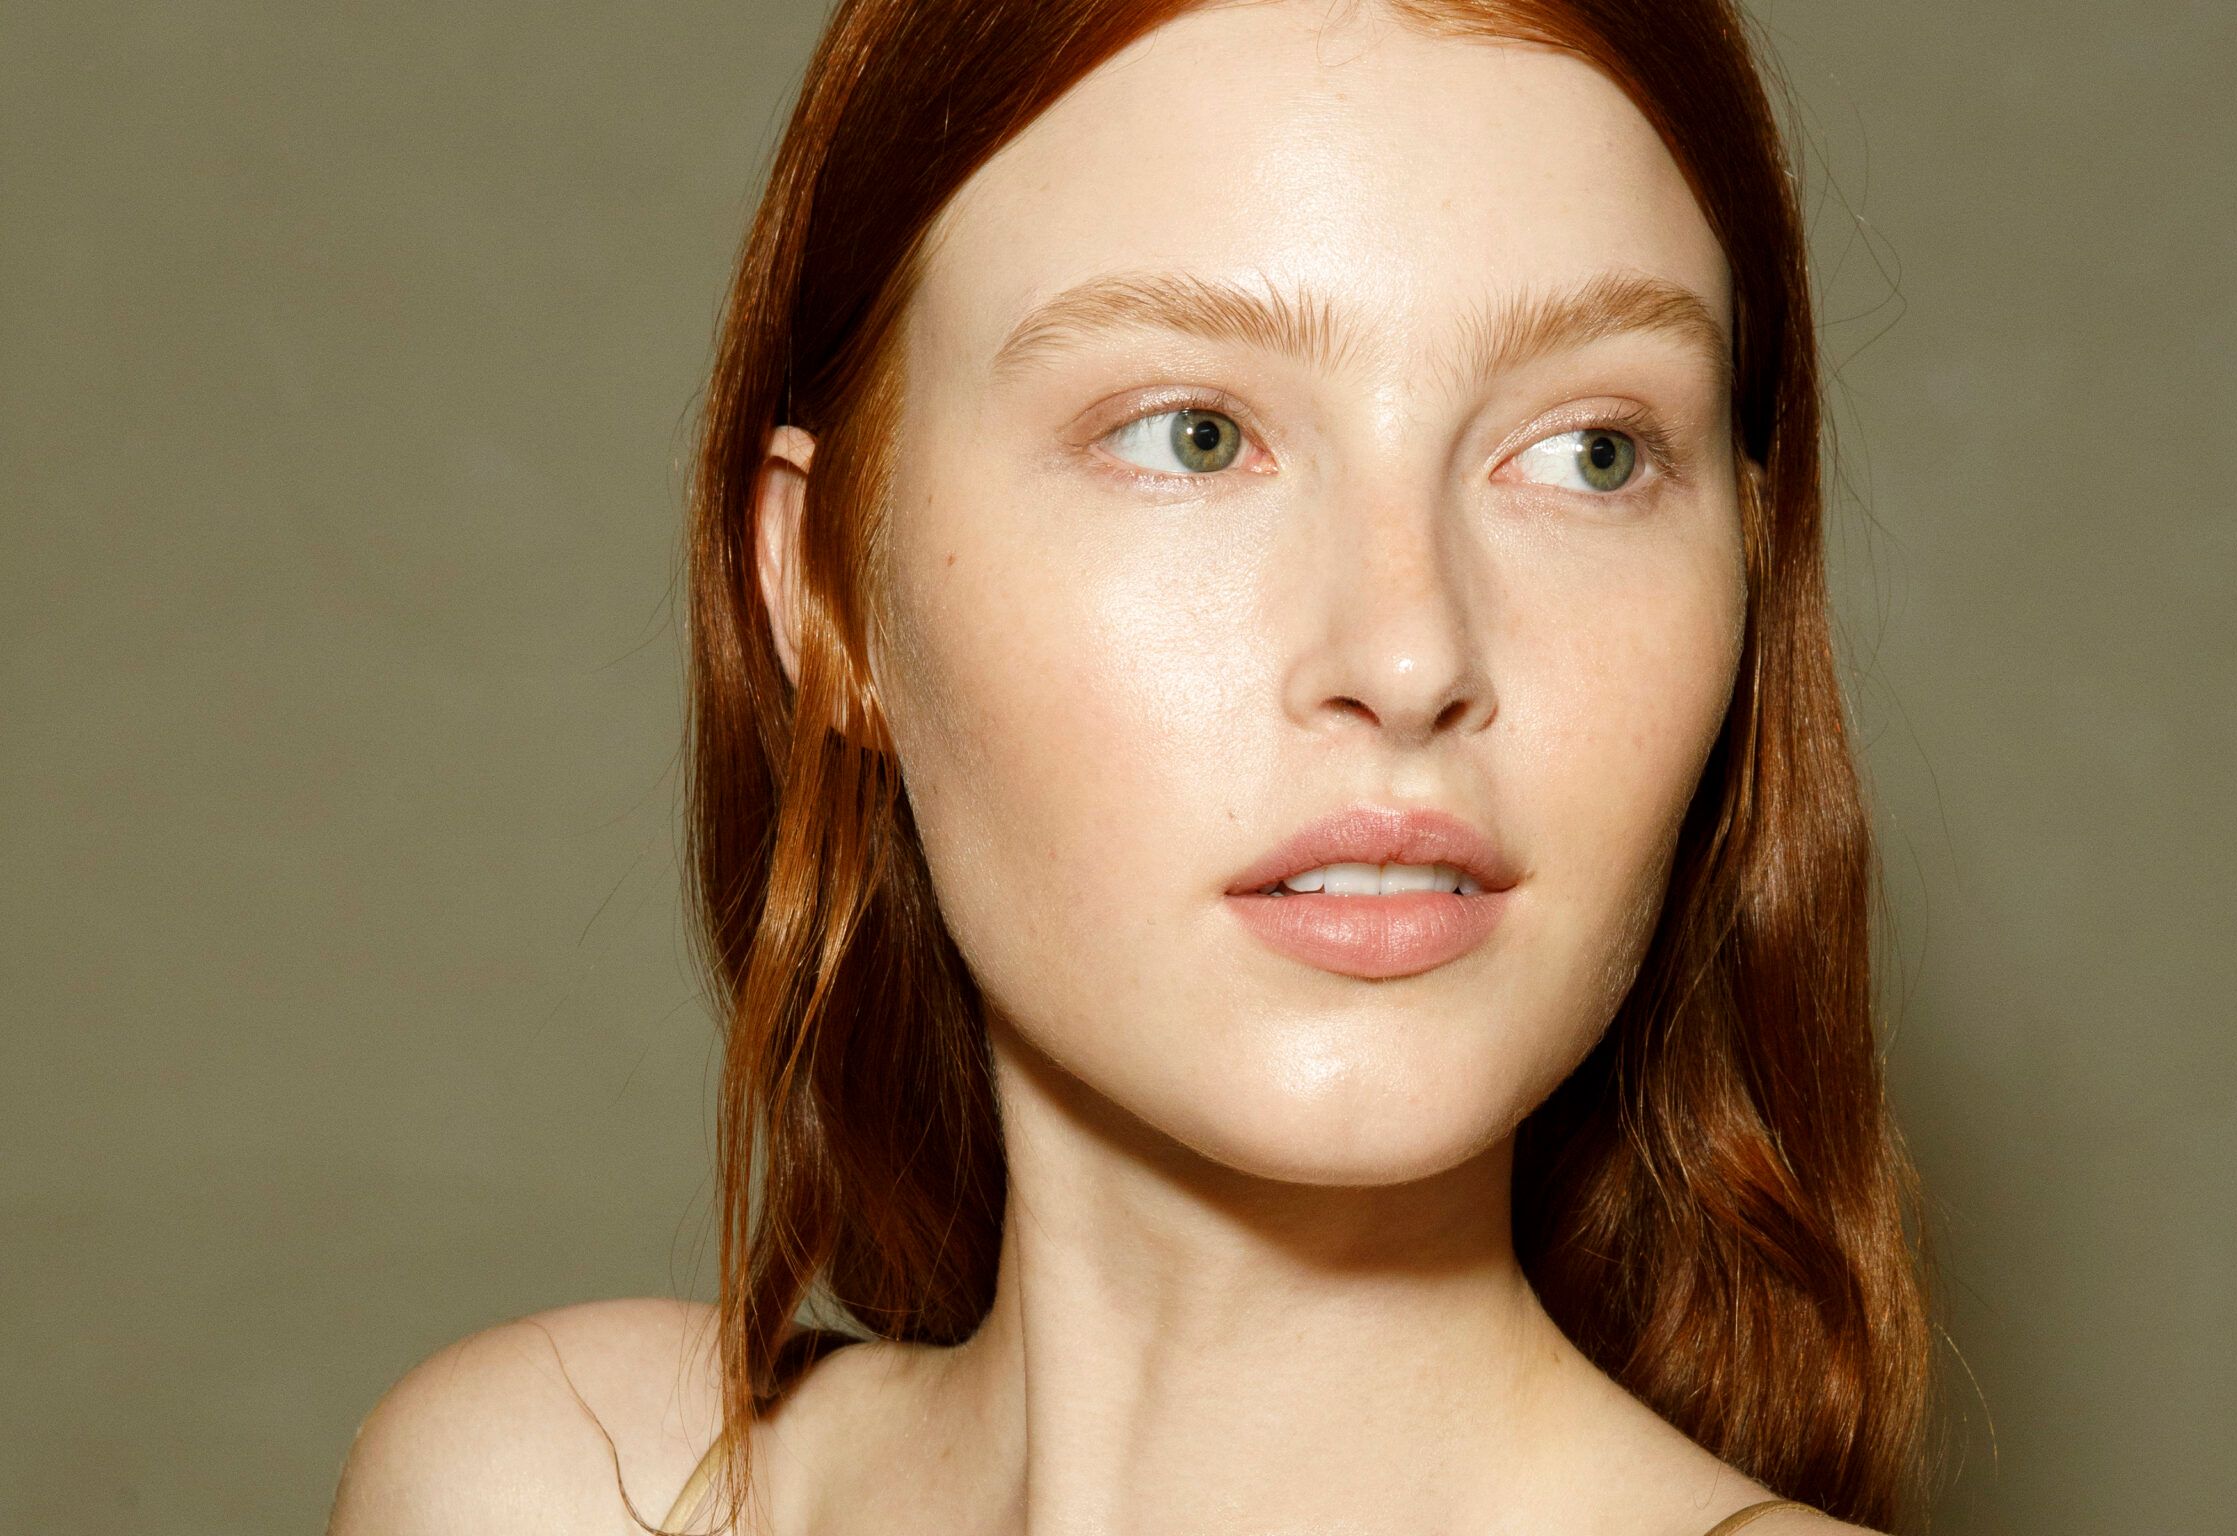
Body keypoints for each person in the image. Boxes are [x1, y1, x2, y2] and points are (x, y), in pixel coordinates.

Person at [325, 1, 1932, 1532]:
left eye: (1593, 452)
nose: (1408, 654)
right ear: (826, 598)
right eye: (1195, 436)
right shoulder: (552, 1496)